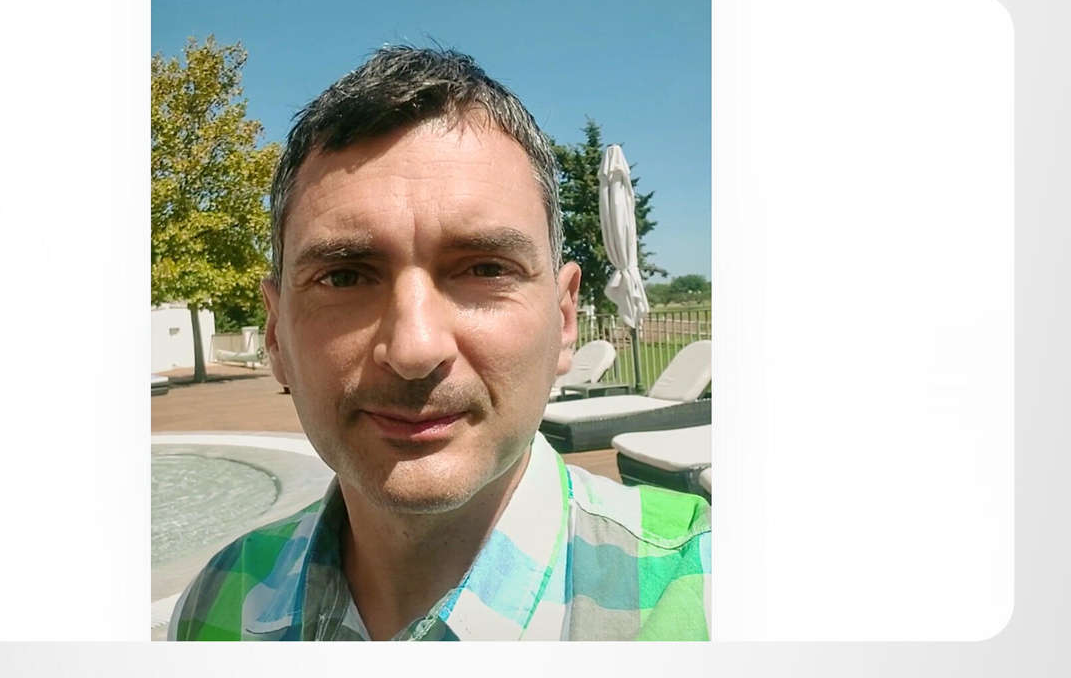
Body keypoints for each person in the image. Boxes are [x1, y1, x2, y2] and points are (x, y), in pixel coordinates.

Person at [169, 46, 710, 641]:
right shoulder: (213, 606)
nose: (415, 348)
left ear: (563, 318)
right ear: (277, 336)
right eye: (344, 277)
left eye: (486, 269)